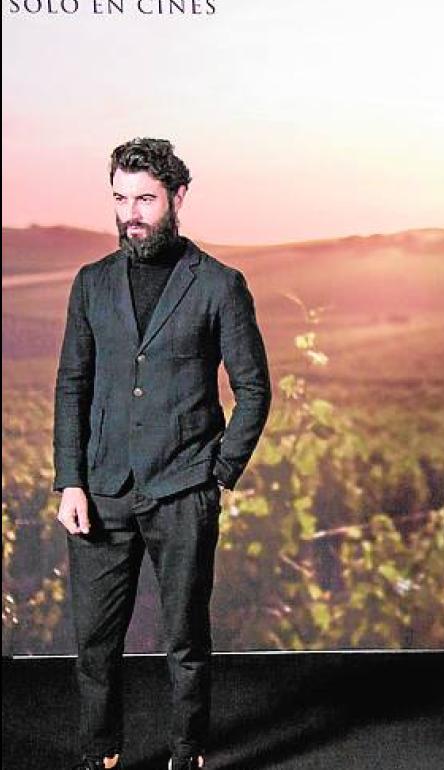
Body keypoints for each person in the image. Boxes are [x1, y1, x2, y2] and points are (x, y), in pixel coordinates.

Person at [53, 138, 272, 770]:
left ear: (178, 198)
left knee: (185, 639)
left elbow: (253, 389)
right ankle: (101, 754)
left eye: (145, 198)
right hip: (99, 491)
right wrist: (70, 480)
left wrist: (219, 474)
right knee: (95, 644)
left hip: (184, 492)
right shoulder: (91, 283)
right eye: (120, 199)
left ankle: (188, 750)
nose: (131, 213)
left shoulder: (221, 285)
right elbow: (72, 384)